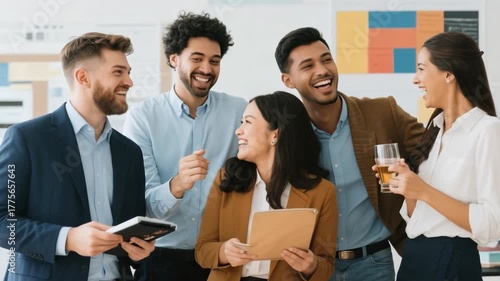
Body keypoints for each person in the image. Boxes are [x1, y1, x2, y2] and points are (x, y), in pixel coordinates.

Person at [0, 32, 155, 281]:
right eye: (118, 72)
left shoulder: (130, 152)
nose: (129, 81)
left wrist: (139, 253)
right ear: (83, 77)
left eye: (128, 72)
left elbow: (131, 232)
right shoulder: (27, 139)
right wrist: (67, 238)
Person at [274, 27, 425, 281]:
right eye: (308, 65)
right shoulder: (286, 134)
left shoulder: (382, 112)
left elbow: (434, 150)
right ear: (288, 80)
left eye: (326, 59)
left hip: (374, 263)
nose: (322, 70)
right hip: (315, 266)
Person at [123, 12, 246, 281]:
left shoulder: (240, 111)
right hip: (161, 260)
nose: (207, 68)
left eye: (215, 61)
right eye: (197, 58)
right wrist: (177, 185)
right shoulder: (143, 117)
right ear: (174, 58)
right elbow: (141, 206)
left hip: (222, 257)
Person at [376, 31, 500, 281]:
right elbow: (416, 217)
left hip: (453, 261)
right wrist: (407, 185)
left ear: (448, 74)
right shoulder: (433, 132)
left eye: (422, 69)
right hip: (414, 259)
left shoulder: (487, 130)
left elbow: (492, 223)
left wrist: (422, 190)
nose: (415, 79)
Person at [195, 91, 338, 281]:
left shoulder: (322, 192)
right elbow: (202, 250)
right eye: (241, 122)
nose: (239, 131)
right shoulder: (226, 179)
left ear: (275, 135)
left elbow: (326, 266)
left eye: (248, 122)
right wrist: (223, 252)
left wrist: (310, 266)